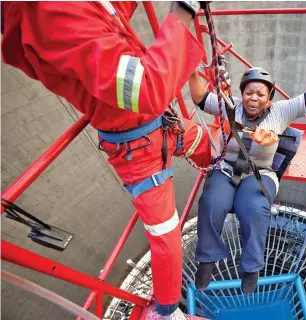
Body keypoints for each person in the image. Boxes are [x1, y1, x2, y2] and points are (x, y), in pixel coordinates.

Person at [1, 1, 212, 319]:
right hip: (137, 147)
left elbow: (109, 12)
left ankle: (222, 176)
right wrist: (183, 10)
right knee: (166, 235)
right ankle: (168, 312)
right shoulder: (48, 15)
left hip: (155, 127)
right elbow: (147, 88)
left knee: (205, 143)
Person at [188, 63, 306, 294]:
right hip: (228, 168)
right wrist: (191, 71)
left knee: (254, 208)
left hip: (260, 172)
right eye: (249, 92)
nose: (253, 98)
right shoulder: (231, 106)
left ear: (269, 97)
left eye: (260, 94)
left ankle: (251, 268)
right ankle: (206, 261)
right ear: (242, 93)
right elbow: (200, 98)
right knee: (211, 203)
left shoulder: (281, 111)